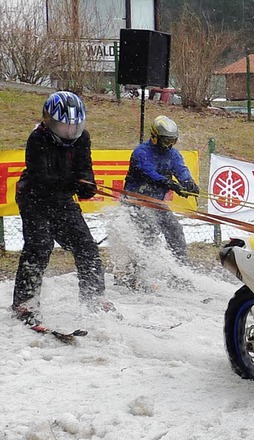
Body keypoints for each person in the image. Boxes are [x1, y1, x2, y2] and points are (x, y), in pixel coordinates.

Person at [12, 91, 109, 325]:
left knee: (86, 245)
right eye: (62, 126)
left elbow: (85, 167)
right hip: (34, 198)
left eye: (73, 127)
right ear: (48, 121)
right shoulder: (37, 139)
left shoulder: (82, 139)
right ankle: (25, 301)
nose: (69, 132)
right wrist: (72, 182)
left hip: (62, 199)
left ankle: (94, 297)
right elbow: (41, 178)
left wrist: (87, 185)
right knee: (40, 244)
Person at [122, 115, 199, 266]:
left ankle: (182, 267)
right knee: (147, 234)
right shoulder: (141, 153)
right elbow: (150, 174)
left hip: (157, 203)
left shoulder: (173, 154)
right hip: (134, 203)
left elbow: (181, 169)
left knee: (175, 230)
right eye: (166, 140)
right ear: (155, 137)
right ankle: (137, 273)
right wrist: (171, 184)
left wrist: (188, 182)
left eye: (173, 141)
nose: (169, 145)